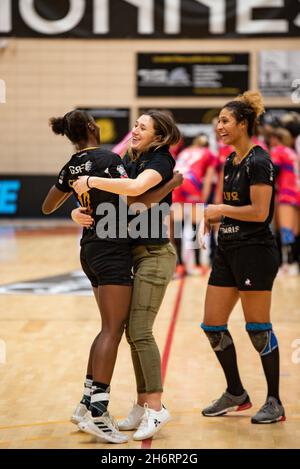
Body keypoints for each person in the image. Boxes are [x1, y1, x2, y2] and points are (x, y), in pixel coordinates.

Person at [72, 110, 180, 440]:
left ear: (159, 136)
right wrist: (77, 210)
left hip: (154, 254)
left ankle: (157, 407)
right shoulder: (133, 160)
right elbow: (114, 200)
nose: (135, 130)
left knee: (140, 330)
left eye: (143, 127)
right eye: (135, 125)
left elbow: (134, 195)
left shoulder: (161, 161)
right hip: (134, 254)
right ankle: (142, 401)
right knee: (131, 331)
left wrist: (90, 180)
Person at [200, 91, 286, 424]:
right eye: (218, 121)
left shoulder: (259, 160)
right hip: (228, 250)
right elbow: (239, 211)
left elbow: (261, 212)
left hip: (255, 252)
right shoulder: (230, 161)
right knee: (213, 326)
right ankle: (236, 392)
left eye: (224, 120)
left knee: (258, 329)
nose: (218, 126)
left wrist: (220, 209)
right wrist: (217, 218)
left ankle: (275, 401)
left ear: (243, 124)